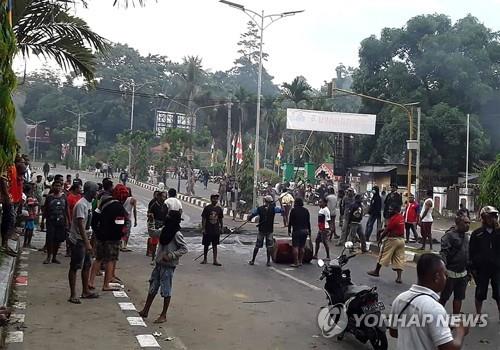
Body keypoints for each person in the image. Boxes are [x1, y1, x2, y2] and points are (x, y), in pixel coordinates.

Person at [389, 253, 469, 350]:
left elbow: (393, 332)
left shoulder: (400, 299)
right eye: (445, 275)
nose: (446, 278)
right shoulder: (434, 308)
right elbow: (450, 348)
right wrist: (461, 330)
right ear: (437, 277)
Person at [139, 210, 188, 323]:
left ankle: (163, 315)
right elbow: (152, 233)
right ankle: (145, 310)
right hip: (159, 264)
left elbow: (184, 248)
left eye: (168, 217)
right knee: (153, 287)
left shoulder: (176, 234)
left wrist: (171, 255)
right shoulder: (164, 230)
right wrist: (150, 222)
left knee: (166, 290)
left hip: (168, 266)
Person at [89, 184, 129, 292]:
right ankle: (106, 284)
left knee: (98, 258)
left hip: (101, 236)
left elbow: (94, 218)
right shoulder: (119, 208)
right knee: (110, 260)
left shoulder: (104, 202)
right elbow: (119, 226)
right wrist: (119, 237)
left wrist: (98, 232)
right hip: (112, 239)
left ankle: (90, 281)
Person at [67, 181, 99, 304]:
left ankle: (85, 291)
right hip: (78, 240)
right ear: (90, 191)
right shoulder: (81, 205)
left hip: (85, 238)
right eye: (95, 190)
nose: (97, 193)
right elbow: (80, 224)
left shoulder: (89, 203)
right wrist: (87, 243)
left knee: (87, 265)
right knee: (75, 266)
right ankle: (73, 294)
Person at [469, 206, 500, 318]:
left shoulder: (498, 233)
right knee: (480, 293)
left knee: (498, 293)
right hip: (482, 269)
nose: (493, 219)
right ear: (484, 218)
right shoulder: (477, 234)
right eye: (490, 217)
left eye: (494, 217)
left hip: (497, 268)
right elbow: (471, 252)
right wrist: (472, 268)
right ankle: (478, 314)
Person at [439, 213, 470, 314]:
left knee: (459, 297)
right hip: (450, 273)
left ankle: (455, 317)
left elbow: (468, 255)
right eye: (465, 223)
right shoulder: (449, 236)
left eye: (469, 223)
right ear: (458, 223)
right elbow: (443, 253)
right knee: (444, 297)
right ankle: (436, 315)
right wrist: (444, 270)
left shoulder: (467, 237)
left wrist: (469, 272)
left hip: (463, 274)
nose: (468, 225)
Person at [367, 205, 405, 283]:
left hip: (392, 240)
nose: (389, 210)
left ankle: (376, 271)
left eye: (391, 209)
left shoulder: (394, 218)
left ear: (396, 210)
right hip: (401, 240)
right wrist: (382, 230)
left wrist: (380, 239)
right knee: (399, 258)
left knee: (382, 255)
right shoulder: (400, 217)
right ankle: (399, 277)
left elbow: (387, 230)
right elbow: (392, 227)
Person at [248, 195, 284, 266]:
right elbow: (282, 210)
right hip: (269, 230)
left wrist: (249, 218)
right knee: (269, 246)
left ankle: (253, 260)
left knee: (257, 246)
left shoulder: (260, 209)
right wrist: (281, 203)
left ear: (264, 201)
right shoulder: (273, 209)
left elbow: (252, 214)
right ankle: (268, 261)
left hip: (261, 230)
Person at [43, 181, 69, 264]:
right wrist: (43, 220)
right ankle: (48, 257)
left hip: (61, 221)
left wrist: (68, 221)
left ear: (61, 187)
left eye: (59, 186)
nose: (57, 187)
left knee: (58, 240)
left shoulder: (64, 197)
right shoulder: (49, 197)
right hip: (50, 221)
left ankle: (54, 257)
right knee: (50, 239)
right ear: (53, 187)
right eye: (56, 186)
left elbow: (66, 209)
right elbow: (45, 209)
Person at [201, 193, 224, 266]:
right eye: (214, 198)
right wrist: (203, 228)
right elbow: (204, 219)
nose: (215, 200)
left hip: (216, 230)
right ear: (211, 199)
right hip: (208, 229)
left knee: (215, 245)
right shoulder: (207, 208)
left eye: (216, 199)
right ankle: (205, 259)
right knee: (206, 245)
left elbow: (220, 219)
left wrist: (222, 227)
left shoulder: (219, 209)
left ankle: (215, 260)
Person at [288, 198, 311, 267]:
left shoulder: (293, 210)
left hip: (297, 230)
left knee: (295, 247)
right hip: (305, 230)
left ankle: (296, 262)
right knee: (302, 246)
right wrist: (309, 231)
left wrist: (289, 229)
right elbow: (308, 222)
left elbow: (290, 221)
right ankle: (300, 261)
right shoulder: (306, 210)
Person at [66, 184, 83, 256]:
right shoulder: (70, 197)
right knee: (69, 235)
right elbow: (67, 209)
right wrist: (69, 220)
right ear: (76, 189)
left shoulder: (79, 197)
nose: (80, 190)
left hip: (77, 218)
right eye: (79, 188)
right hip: (71, 218)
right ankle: (68, 250)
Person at [121, 187, 137, 252]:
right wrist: (136, 220)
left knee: (121, 230)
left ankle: (121, 245)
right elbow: (134, 210)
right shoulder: (133, 199)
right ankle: (124, 246)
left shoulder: (122, 198)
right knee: (127, 232)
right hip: (127, 218)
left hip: (121, 217)